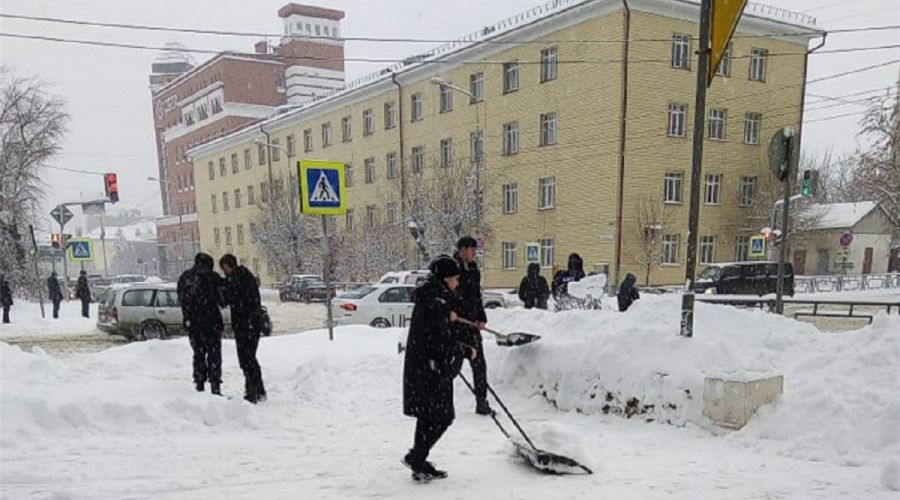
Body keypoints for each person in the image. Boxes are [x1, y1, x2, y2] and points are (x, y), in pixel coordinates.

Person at [402, 255, 475, 482]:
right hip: (431, 370)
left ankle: (418, 459)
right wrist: (463, 350)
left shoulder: (433, 298)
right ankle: (416, 457)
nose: (457, 283)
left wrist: (449, 317)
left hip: (425, 368)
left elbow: (438, 334)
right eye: (454, 279)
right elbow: (439, 341)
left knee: (428, 416)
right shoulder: (436, 303)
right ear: (445, 279)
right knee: (442, 417)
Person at [219, 254, 267, 404]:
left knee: (246, 360)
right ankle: (259, 390)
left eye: (224, 268)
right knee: (251, 358)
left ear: (228, 265)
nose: (224, 272)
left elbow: (226, 300)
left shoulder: (235, 280)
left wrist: (222, 288)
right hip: (253, 324)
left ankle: (252, 391)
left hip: (244, 325)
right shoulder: (247, 276)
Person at [452, 236, 492, 415]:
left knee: (480, 365)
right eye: (472, 249)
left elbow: (476, 296)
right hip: (456, 325)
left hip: (472, 326)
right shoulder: (452, 269)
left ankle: (481, 401)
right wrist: (451, 312)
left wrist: (481, 317)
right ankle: (435, 400)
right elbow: (449, 294)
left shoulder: (474, 270)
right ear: (462, 250)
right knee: (453, 366)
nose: (475, 253)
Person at [177, 253, 224, 395]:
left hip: (194, 324)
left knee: (198, 354)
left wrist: (188, 316)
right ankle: (215, 386)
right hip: (212, 323)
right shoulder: (213, 277)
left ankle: (199, 385)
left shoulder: (185, 278)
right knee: (214, 355)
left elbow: (181, 299)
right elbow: (222, 299)